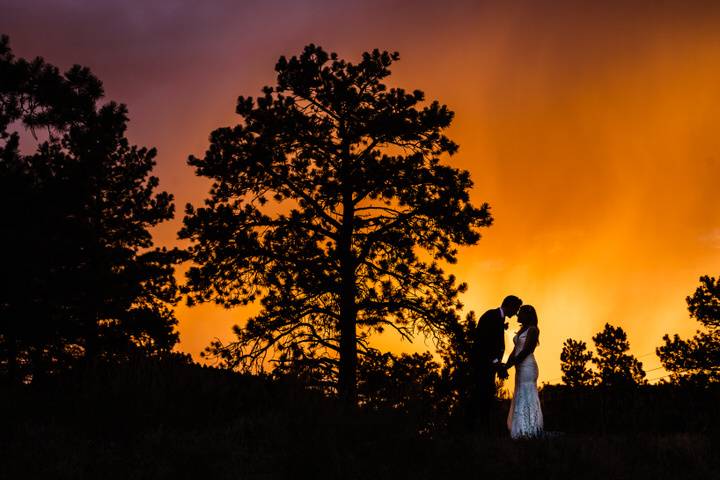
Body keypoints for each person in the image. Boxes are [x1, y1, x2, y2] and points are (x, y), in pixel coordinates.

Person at [470, 295, 522, 432]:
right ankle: (479, 430)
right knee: (482, 396)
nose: (516, 313)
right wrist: (495, 362)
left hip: (489, 366)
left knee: (487, 396)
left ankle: (483, 430)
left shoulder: (499, 318)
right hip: (482, 365)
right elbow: (483, 342)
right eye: (515, 309)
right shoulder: (491, 316)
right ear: (509, 305)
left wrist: (498, 364)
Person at [501, 304, 544, 439]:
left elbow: (526, 351)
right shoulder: (521, 330)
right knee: (520, 393)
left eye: (520, 313)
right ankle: (520, 431)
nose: (517, 315)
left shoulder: (533, 330)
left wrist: (513, 363)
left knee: (527, 394)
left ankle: (530, 430)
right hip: (519, 367)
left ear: (527, 315)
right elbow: (515, 351)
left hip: (528, 367)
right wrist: (506, 365)